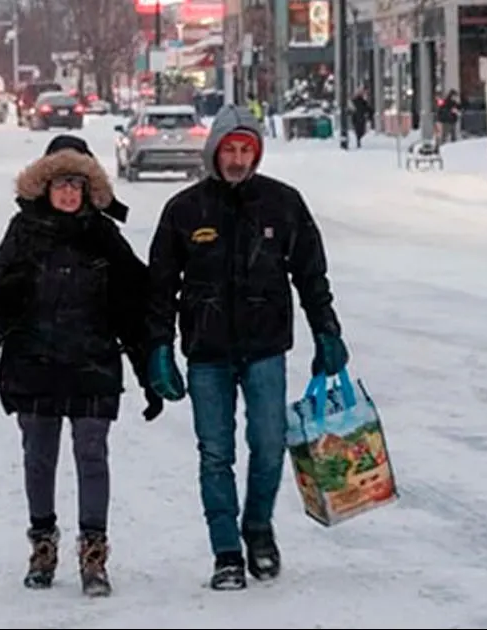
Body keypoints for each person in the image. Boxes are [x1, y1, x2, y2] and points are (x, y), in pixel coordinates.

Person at [145, 104, 348, 591]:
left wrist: (327, 330)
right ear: (214, 151)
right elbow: (159, 287)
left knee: (269, 445)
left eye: (246, 150)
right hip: (207, 352)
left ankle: (257, 526)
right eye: (229, 150)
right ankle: (226, 552)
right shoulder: (184, 210)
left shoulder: (283, 204)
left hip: (264, 348)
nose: (237, 160)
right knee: (215, 453)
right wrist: (158, 347)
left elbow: (311, 274)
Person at [0, 135, 161, 598]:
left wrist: (147, 372)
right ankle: (43, 546)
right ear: (45, 187)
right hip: (33, 361)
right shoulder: (24, 233)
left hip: (92, 362)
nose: (69, 194)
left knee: (92, 455)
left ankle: (94, 553)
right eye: (61, 184)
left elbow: (133, 310)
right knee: (40, 456)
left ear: (89, 189)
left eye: (77, 184)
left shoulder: (106, 239)